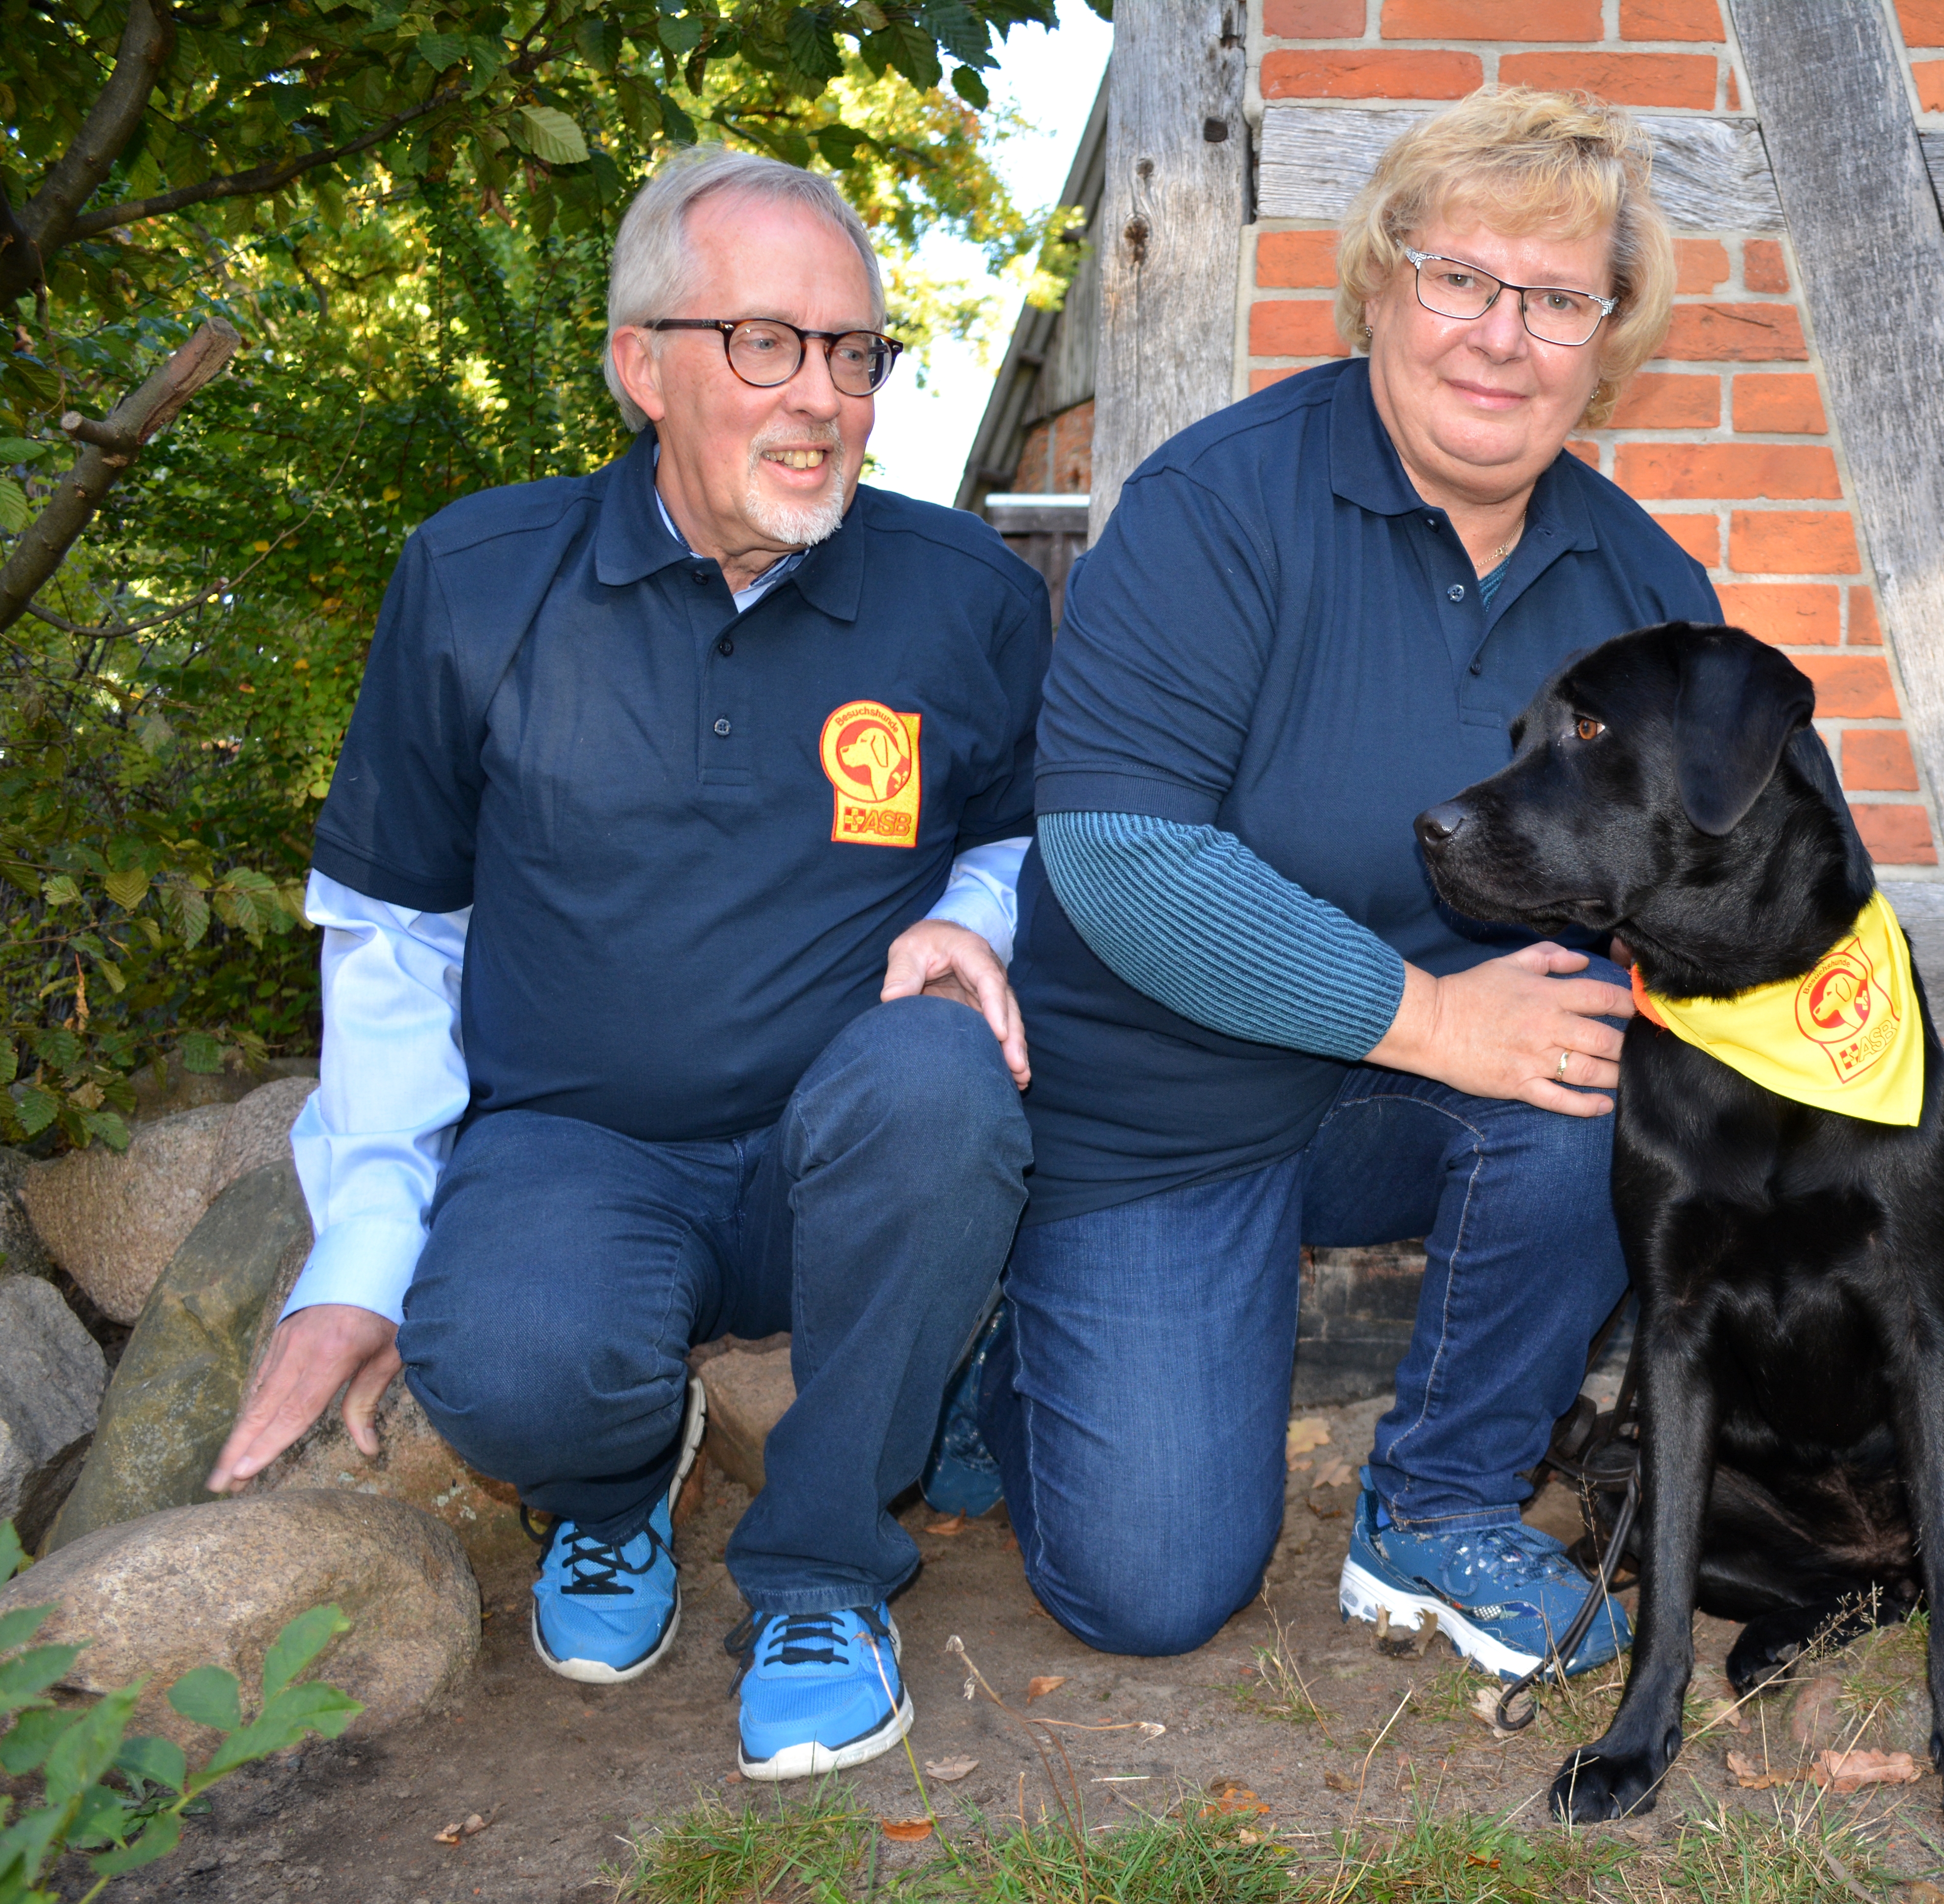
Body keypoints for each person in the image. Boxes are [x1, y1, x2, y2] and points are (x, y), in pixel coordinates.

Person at [203, 146, 1050, 1780]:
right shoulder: (477, 580)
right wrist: (361, 1259)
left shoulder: (964, 595)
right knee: (506, 1355)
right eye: (764, 343)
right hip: (579, 1145)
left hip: (842, 1145)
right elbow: (396, 940)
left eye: (854, 350)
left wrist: (979, 913)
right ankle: (612, 1478)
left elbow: (1026, 833)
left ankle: (820, 1568)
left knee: (948, 1086)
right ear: (636, 364)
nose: (820, 397)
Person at [985, 88, 1723, 1675]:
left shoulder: (1648, 587)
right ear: (1379, 286)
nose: (1500, 335)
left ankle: (1440, 1505)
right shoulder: (1218, 505)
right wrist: (1435, 1019)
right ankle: (1017, 1361)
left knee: (1624, 1042)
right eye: (1460, 278)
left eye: (1556, 299)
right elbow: (1125, 861)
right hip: (1160, 1103)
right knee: (1155, 1589)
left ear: (1607, 340)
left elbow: (1726, 875)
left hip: (1410, 1103)